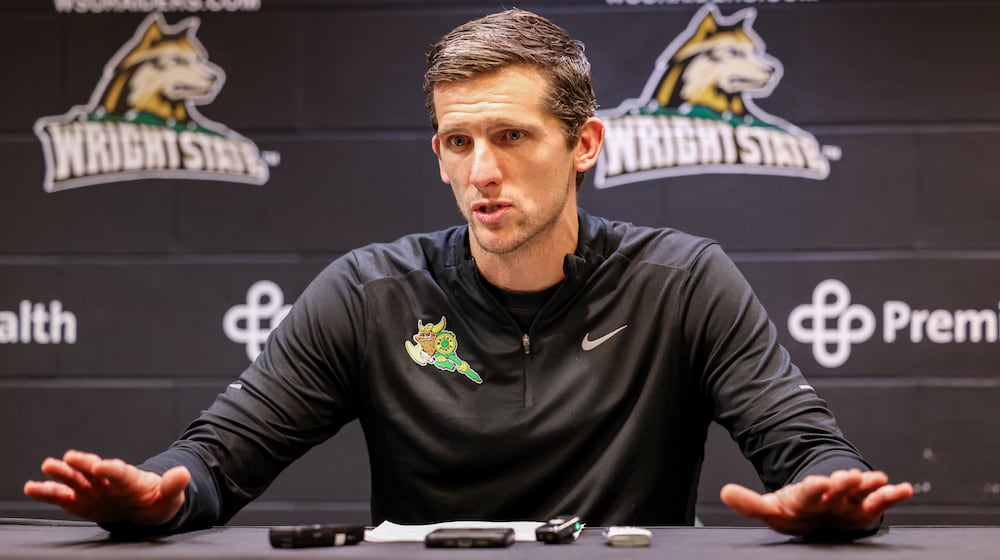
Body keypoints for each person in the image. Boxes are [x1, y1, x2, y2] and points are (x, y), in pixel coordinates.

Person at [24, 8, 912, 539]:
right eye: (459, 141)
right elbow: (219, 459)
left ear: (585, 145)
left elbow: (810, 454)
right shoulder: (371, 292)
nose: (483, 170)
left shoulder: (681, 281)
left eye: (512, 136)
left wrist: (835, 499)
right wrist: (161, 494)